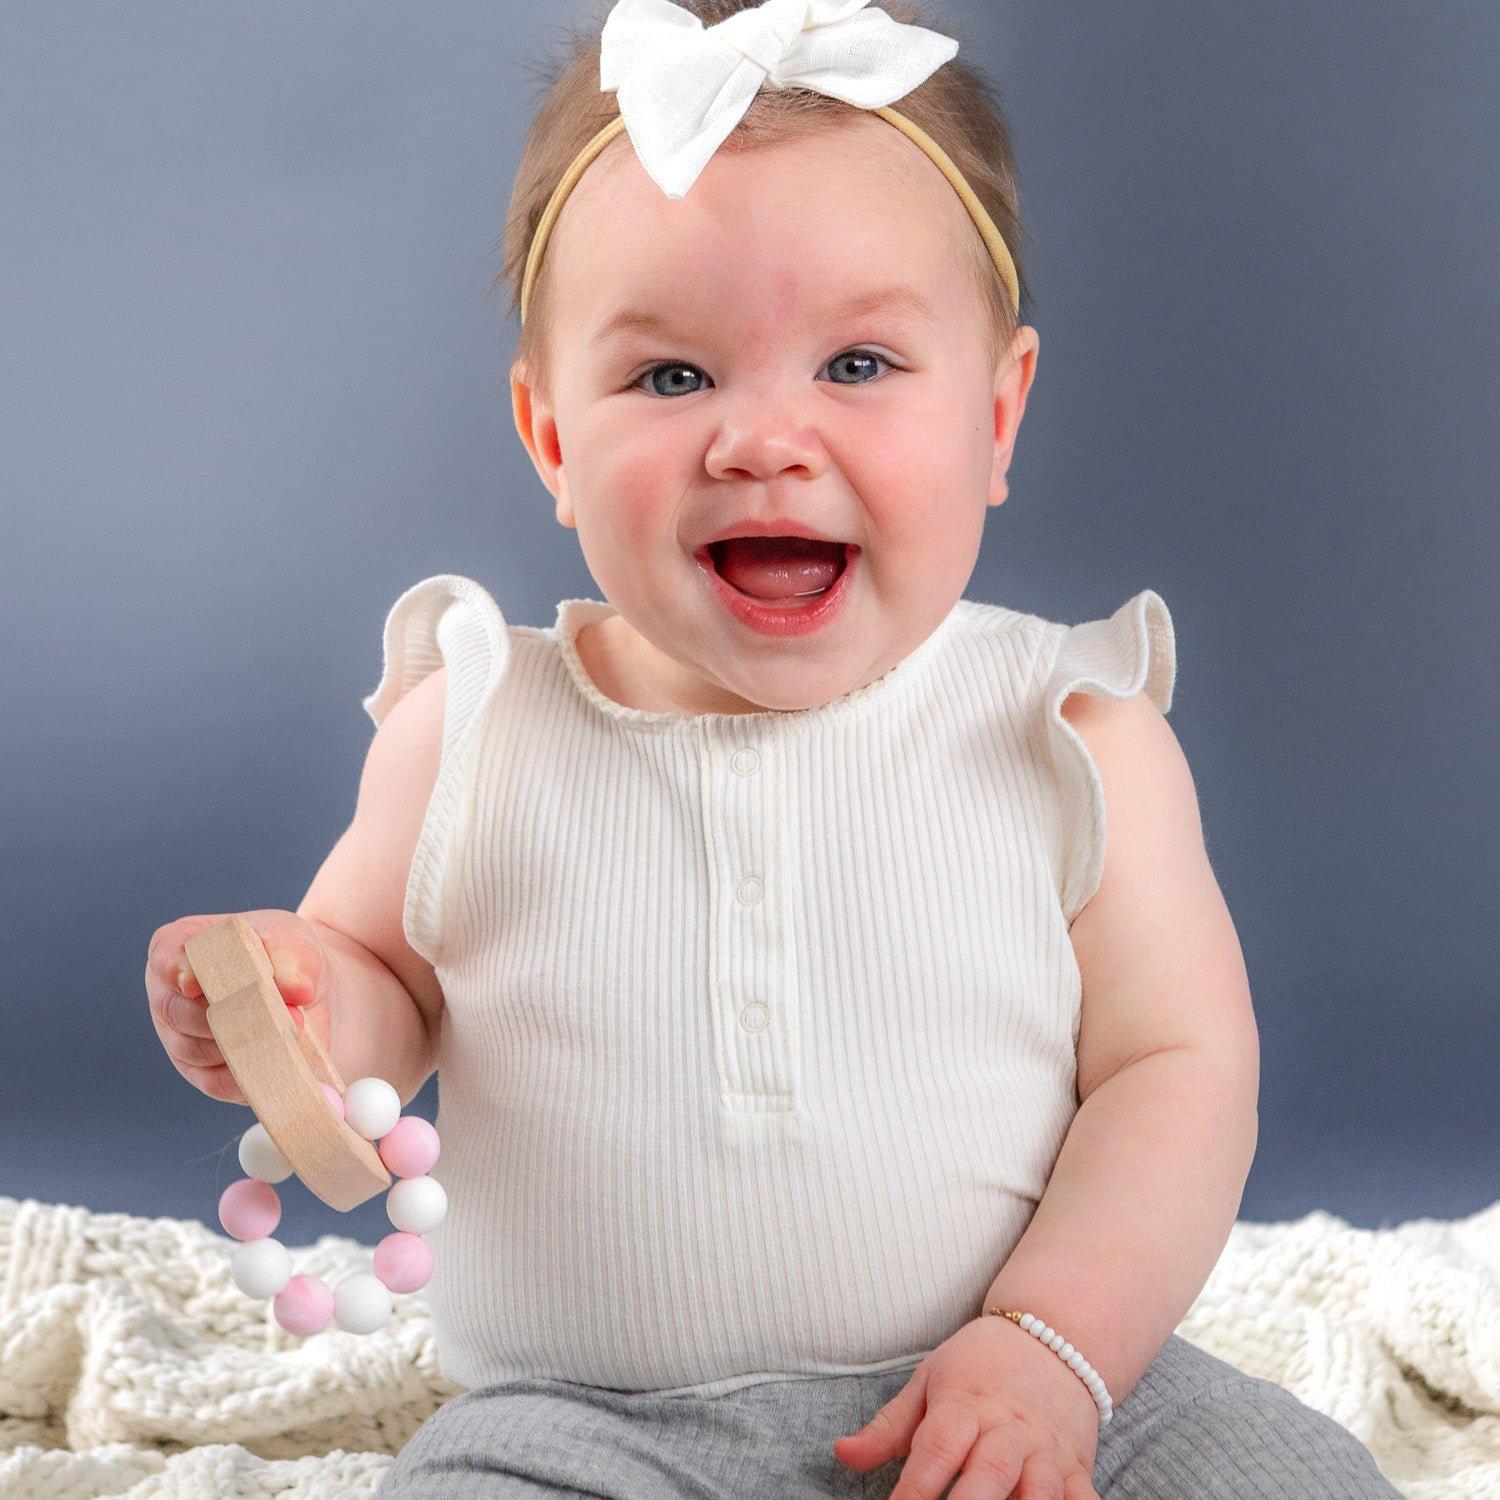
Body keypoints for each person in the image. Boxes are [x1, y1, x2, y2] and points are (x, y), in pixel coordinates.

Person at [148, 0, 1402, 1494]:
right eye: (672, 378)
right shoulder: (475, 728)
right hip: (586, 1423)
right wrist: (291, 1010)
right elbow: (379, 999)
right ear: (551, 442)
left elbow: (1177, 1072)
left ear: (997, 415)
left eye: (859, 366)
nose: (764, 440)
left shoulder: (1070, 732)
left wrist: (1055, 1347)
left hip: (1015, 1384)